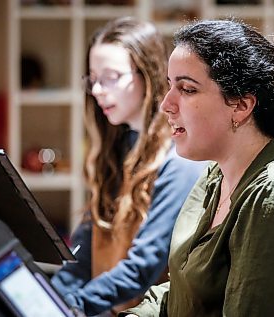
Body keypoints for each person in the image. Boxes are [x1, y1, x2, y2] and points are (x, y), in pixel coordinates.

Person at [120, 19, 274, 317]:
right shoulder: (215, 177)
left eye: (187, 89)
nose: (166, 104)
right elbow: (187, 290)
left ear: (241, 106)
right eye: (169, 85)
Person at [51, 17, 206, 316]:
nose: (97, 90)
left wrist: (70, 306)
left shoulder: (178, 160)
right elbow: (82, 257)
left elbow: (143, 269)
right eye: (92, 78)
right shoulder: (115, 153)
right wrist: (47, 297)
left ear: (149, 75)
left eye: (110, 77)